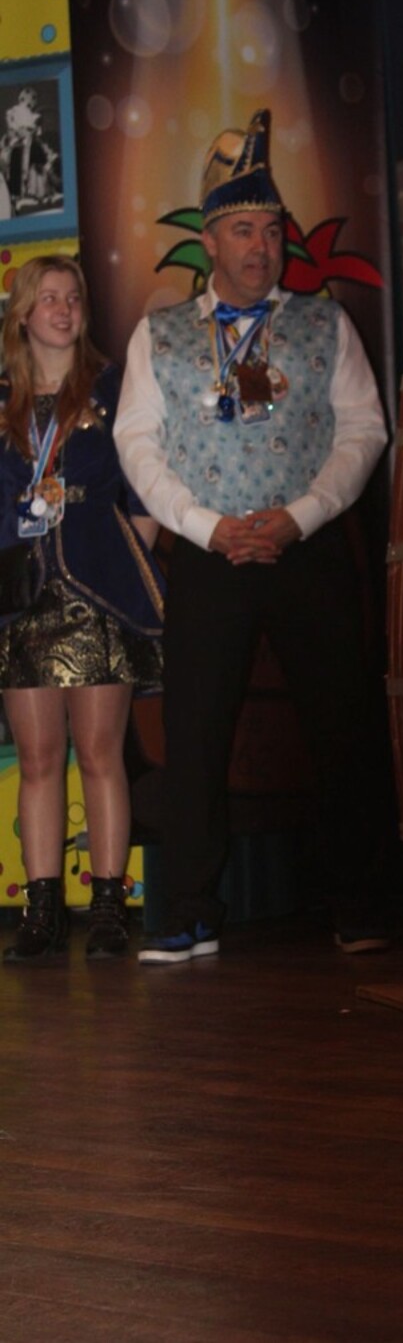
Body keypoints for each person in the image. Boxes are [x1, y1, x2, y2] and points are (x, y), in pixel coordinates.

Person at [114, 108, 395, 964]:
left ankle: (363, 902)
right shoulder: (160, 334)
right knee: (196, 731)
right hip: (210, 554)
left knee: (343, 723)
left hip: (306, 547)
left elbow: (363, 430)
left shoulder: (325, 324)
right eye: (243, 230)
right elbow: (137, 443)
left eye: (271, 231)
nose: (261, 247)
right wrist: (207, 528)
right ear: (209, 239)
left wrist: (301, 514)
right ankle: (191, 909)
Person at [0, 255, 164, 963]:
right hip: (21, 601)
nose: (64, 309)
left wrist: (126, 562)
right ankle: (41, 914)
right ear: (22, 314)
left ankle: (106, 908)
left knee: (100, 754)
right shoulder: (1, 398)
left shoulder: (113, 387)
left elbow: (144, 484)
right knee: (39, 758)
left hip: (98, 594)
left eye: (73, 298)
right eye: (48, 298)